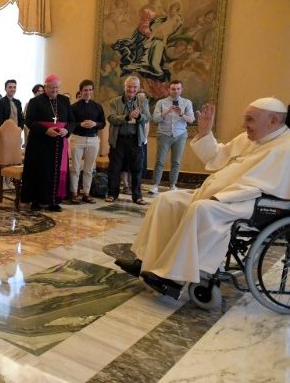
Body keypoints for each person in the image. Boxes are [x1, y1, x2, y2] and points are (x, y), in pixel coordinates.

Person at [117, 98, 290, 297]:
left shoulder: (285, 148)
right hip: (221, 196)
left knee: (201, 209)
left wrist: (221, 197)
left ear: (274, 120)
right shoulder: (248, 138)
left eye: (250, 120)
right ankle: (145, 261)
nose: (244, 125)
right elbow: (216, 156)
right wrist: (205, 132)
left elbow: (269, 186)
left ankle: (173, 279)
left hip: (252, 204)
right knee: (167, 201)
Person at [21, 74, 75, 212]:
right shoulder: (35, 102)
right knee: (39, 171)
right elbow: (29, 121)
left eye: (57, 88)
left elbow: (72, 121)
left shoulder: (64, 101)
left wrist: (66, 130)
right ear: (45, 87)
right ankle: (36, 201)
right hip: (40, 143)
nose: (55, 91)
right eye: (52, 88)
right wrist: (45, 130)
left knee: (55, 172)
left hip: (58, 143)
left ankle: (54, 201)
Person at [105, 76, 150, 205]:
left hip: (135, 140)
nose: (132, 89)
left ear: (138, 88)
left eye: (135, 87)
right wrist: (127, 117)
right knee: (114, 168)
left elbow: (147, 118)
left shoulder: (143, 101)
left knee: (136, 169)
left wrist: (139, 116)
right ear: (125, 87)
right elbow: (111, 118)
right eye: (129, 86)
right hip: (118, 140)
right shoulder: (115, 101)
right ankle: (112, 194)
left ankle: (137, 196)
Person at [149, 80, 195, 194]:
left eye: (178, 89)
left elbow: (191, 119)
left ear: (181, 89)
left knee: (176, 161)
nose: (176, 91)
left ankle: (173, 185)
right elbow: (155, 119)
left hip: (180, 135)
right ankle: (155, 185)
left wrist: (181, 114)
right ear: (169, 90)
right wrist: (167, 111)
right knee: (160, 160)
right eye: (173, 89)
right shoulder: (161, 103)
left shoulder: (187, 103)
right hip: (164, 134)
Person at [69, 80, 105, 204]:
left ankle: (86, 193)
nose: (88, 92)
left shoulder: (97, 106)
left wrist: (95, 124)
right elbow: (70, 124)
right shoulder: (73, 107)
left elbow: (102, 123)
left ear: (93, 91)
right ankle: (74, 193)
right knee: (75, 168)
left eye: (90, 90)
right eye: (85, 90)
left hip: (93, 139)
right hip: (77, 139)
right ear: (80, 91)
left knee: (89, 169)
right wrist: (81, 124)